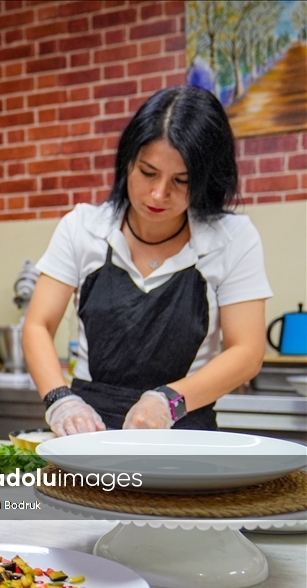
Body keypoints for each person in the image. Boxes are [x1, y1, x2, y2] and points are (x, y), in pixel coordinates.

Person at [22, 86, 270, 435]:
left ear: (206, 180)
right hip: (88, 431)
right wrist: (61, 401)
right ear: (128, 161)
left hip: (184, 428)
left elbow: (247, 351)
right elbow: (37, 325)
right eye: (148, 172)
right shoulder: (83, 228)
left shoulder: (232, 238)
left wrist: (166, 401)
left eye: (181, 181)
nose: (158, 194)